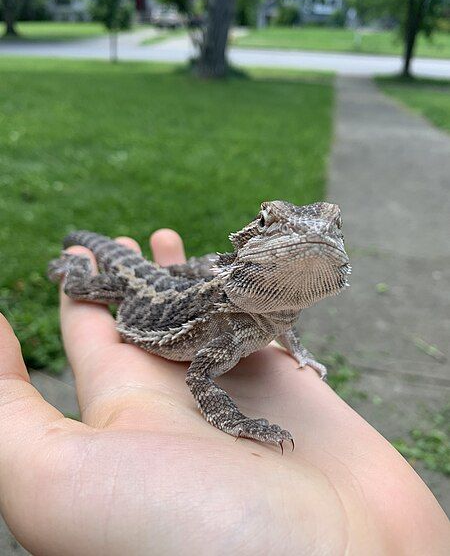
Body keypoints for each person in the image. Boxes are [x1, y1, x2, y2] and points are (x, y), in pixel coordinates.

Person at [0, 229, 448, 556]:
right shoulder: (230, 321)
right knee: (81, 288)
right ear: (247, 244)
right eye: (275, 224)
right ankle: (77, 260)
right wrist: (238, 422)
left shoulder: (275, 309)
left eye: (332, 227)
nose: (312, 236)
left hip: (190, 284)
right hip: (146, 296)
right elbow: (199, 375)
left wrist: (300, 352)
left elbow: (285, 323)